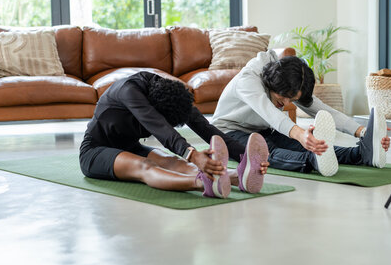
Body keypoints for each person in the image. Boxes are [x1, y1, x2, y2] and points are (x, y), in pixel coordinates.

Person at [79, 71, 269, 198]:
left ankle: (238, 177)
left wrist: (245, 156)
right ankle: (204, 184)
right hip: (95, 151)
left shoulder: (173, 96)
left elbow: (206, 128)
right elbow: (162, 129)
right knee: (144, 166)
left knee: (175, 162)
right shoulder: (129, 91)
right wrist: (193, 154)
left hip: (129, 146)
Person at [211, 50, 391, 176]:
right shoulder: (249, 80)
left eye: (293, 99)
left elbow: (322, 109)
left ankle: (361, 154)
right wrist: (300, 133)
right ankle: (314, 160)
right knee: (265, 150)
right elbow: (271, 115)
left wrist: (362, 131)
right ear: (274, 84)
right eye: (285, 97)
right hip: (227, 132)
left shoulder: (287, 79)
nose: (287, 104)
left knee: (298, 145)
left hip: (261, 129)